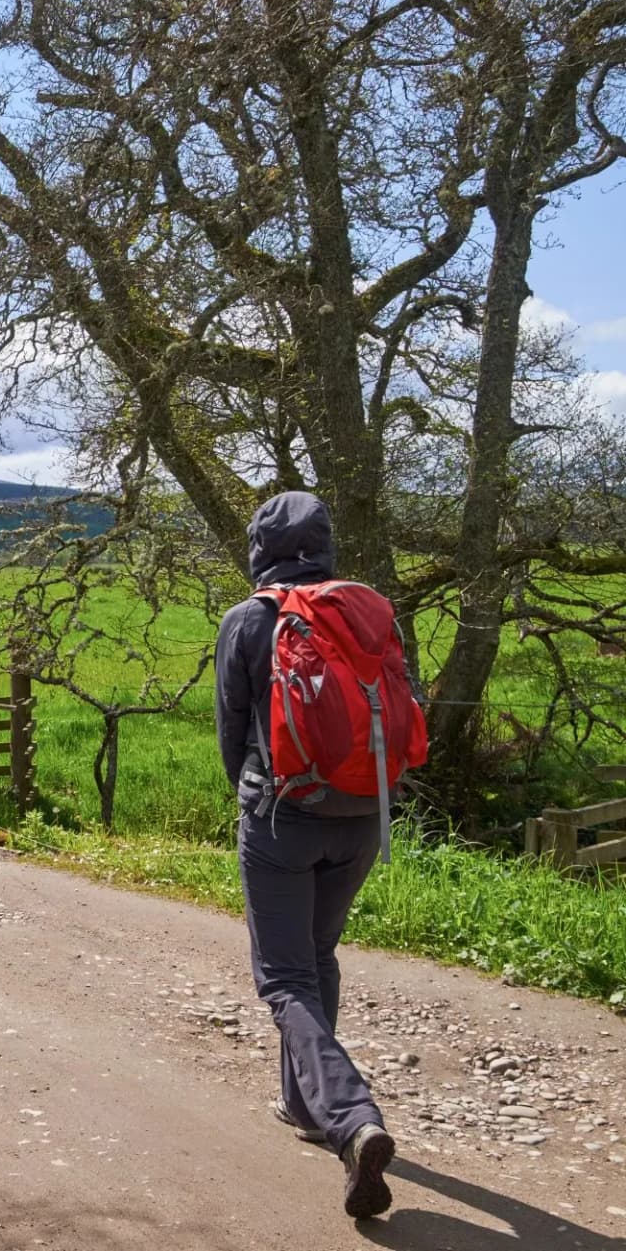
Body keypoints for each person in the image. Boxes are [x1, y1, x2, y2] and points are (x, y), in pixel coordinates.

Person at [214, 491, 397, 1220]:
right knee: (317, 956)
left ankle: (352, 1119)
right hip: (363, 816)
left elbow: (233, 733)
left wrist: (253, 803)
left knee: (284, 978)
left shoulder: (248, 619)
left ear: (260, 545)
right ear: (324, 543)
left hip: (283, 816)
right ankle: (304, 1104)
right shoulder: (367, 610)